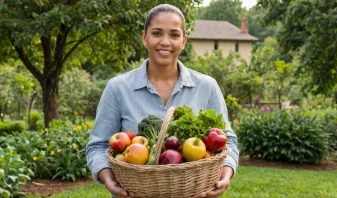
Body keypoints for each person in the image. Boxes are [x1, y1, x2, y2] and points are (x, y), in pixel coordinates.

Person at [86, 4, 239, 198]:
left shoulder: (207, 87)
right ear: (144, 37)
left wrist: (225, 177)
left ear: (184, 41)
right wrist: (109, 180)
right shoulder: (118, 88)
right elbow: (98, 146)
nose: (165, 42)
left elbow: (228, 142)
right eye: (157, 33)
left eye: (174, 35)